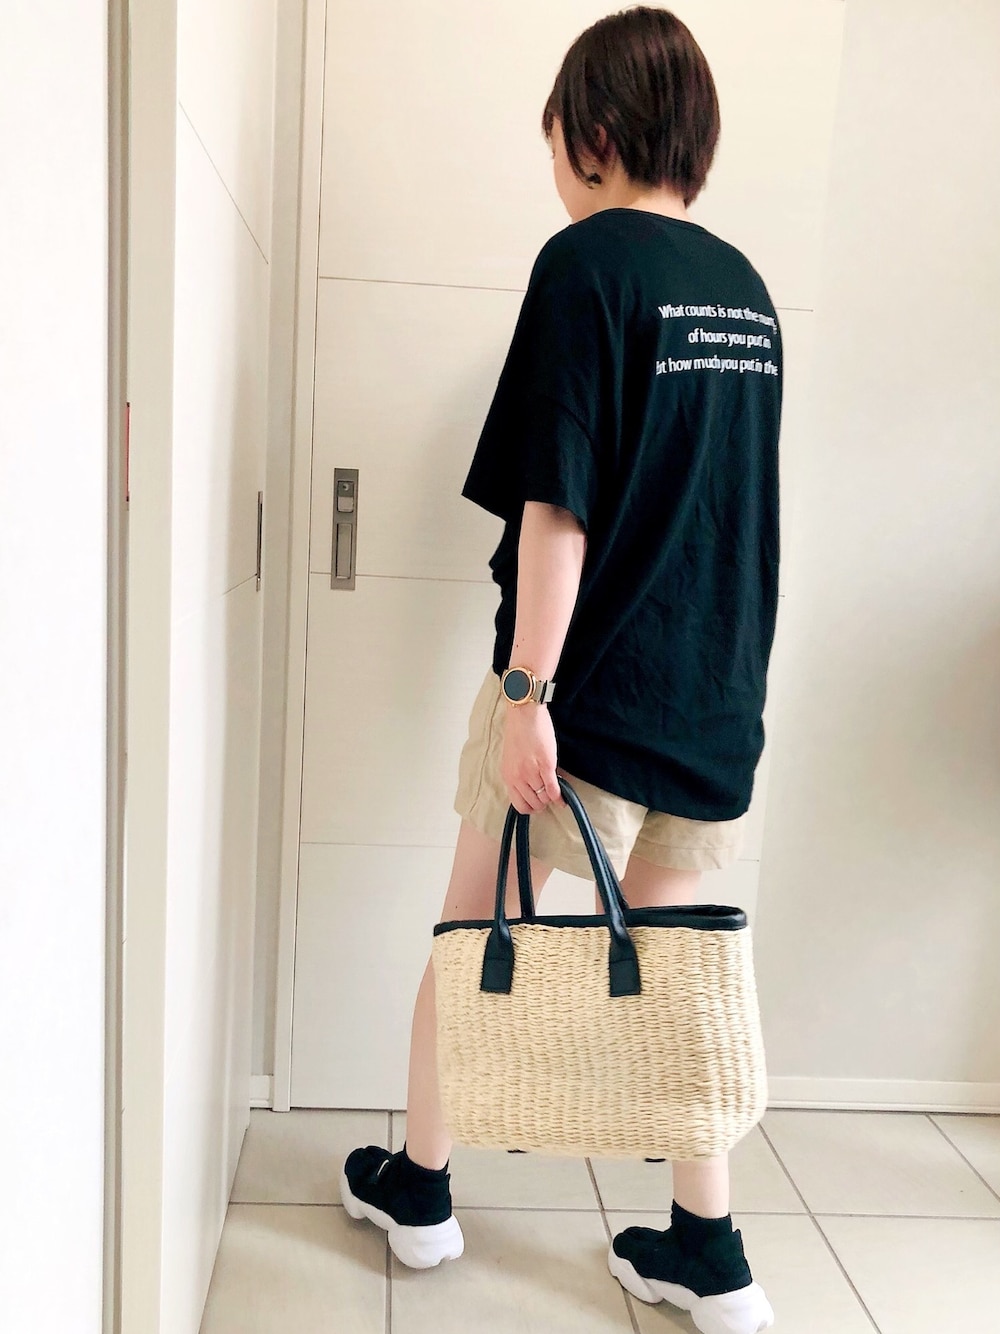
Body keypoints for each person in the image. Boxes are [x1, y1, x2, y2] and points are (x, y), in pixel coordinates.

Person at [341, 8, 780, 1333]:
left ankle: (422, 1189)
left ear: (591, 131)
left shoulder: (585, 264)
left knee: (472, 930)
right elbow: (734, 515)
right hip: (711, 697)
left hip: (583, 690)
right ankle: (707, 1247)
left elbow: (559, 502)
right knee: (675, 974)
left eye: (553, 140)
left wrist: (529, 692)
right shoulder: (748, 294)